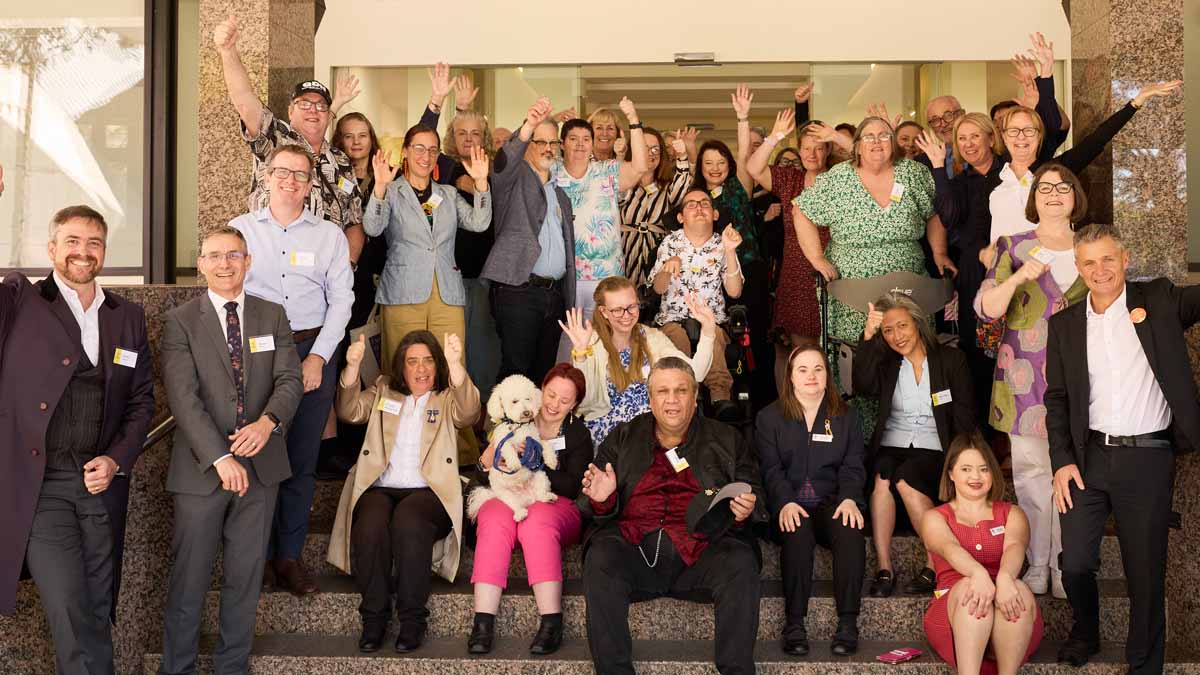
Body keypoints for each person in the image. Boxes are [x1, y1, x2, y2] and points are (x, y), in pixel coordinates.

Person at [0, 205, 155, 674]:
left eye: (93, 243)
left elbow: (142, 401)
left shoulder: (126, 315)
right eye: (71, 241)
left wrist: (116, 459)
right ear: (51, 248)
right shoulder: (19, 301)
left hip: (101, 486)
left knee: (97, 607)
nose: (82, 252)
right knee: (68, 605)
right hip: (41, 487)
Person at [1046, 224, 1200, 672]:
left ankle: (1144, 666)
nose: (1100, 270)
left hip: (1148, 458)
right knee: (1073, 562)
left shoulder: (1160, 301)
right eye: (1089, 262)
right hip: (1088, 458)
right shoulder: (1064, 325)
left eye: (1108, 259)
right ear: (1078, 268)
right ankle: (1086, 631)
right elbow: (1056, 399)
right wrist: (1061, 462)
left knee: (1145, 573)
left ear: (1125, 259)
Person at [157, 227, 304, 674]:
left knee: (244, 582)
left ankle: (232, 668)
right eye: (215, 256)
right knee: (189, 581)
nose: (225, 264)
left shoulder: (272, 315)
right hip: (202, 472)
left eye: (234, 255)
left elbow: (290, 380)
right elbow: (183, 399)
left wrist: (268, 423)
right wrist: (221, 458)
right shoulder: (181, 321)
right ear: (200, 264)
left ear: (248, 261)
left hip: (261, 471)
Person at [579, 357, 768, 675]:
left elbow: (756, 493)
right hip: (635, 550)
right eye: (662, 391)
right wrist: (603, 499)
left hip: (701, 552)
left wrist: (744, 510)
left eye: (681, 391)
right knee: (600, 555)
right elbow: (590, 502)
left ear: (695, 398)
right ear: (650, 399)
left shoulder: (727, 439)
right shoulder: (623, 437)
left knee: (740, 561)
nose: (672, 400)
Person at [230, 144, 354, 596]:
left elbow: (342, 300)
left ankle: (288, 557)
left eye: (300, 174)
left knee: (301, 462)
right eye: (282, 172)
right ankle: (256, 558)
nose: (290, 181)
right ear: (267, 176)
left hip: (310, 349)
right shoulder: (240, 231)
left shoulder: (329, 236)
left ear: (310, 183)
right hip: (257, 353)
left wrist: (319, 357)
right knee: (258, 458)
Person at [975, 163, 1090, 599]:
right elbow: (986, 307)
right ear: (1034, 198)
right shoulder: (1013, 245)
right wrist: (1021, 275)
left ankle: (1068, 566)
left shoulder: (1092, 244)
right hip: (1023, 376)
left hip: (1084, 376)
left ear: (1076, 195)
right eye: (1046, 188)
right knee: (1031, 473)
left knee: (1075, 475)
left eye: (1064, 187)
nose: (1055, 194)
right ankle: (1039, 563)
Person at [795, 115, 955, 430]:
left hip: (909, 280)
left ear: (893, 142)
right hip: (852, 286)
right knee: (860, 359)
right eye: (868, 137)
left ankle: (915, 431)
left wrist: (939, 252)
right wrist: (815, 258)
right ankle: (860, 438)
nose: (877, 142)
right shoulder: (838, 178)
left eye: (884, 135)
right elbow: (801, 210)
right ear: (856, 146)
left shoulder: (913, 173)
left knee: (911, 351)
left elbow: (934, 213)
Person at [329, 329, 481, 653]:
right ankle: (374, 619)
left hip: (430, 490)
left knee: (409, 521)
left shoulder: (446, 396)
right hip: (382, 486)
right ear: (402, 366)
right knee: (370, 525)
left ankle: (412, 620)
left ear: (436, 365)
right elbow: (350, 411)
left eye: (428, 360)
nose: (421, 368)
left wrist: (456, 365)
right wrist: (352, 369)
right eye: (412, 361)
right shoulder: (385, 388)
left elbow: (469, 412)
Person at [212, 16, 365, 265]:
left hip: (324, 276)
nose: (313, 110)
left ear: (329, 114)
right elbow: (244, 98)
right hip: (272, 267)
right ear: (290, 111)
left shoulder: (340, 160)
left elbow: (354, 221)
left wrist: (346, 266)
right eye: (304, 104)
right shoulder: (276, 139)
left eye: (320, 105)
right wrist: (228, 52)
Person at [853, 292, 976, 597]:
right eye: (888, 330)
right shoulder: (886, 362)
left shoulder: (950, 360)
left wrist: (960, 460)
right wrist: (867, 337)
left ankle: (936, 563)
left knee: (906, 479)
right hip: (894, 441)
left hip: (935, 446)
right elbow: (862, 387)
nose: (897, 336)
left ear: (918, 324)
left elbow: (964, 413)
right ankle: (884, 567)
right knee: (882, 476)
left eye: (902, 326)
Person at [467, 363, 592, 656]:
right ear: (541, 391)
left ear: (574, 404)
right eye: (550, 395)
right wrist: (487, 463)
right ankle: (482, 622)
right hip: (510, 494)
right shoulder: (515, 414)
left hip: (557, 502)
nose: (554, 404)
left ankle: (551, 622)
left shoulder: (577, 433)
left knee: (536, 523)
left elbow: (573, 485)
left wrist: (535, 463)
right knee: (494, 518)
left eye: (565, 400)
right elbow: (483, 474)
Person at [757, 343, 866, 657]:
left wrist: (849, 499)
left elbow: (853, 464)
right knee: (797, 533)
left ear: (827, 375)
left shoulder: (845, 416)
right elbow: (771, 468)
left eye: (818, 369)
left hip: (830, 501)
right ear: (790, 376)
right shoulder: (770, 418)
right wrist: (784, 502)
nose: (811, 376)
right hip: (789, 502)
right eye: (802, 369)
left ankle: (848, 623)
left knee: (850, 530)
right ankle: (794, 624)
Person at [364, 124, 491, 371]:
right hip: (403, 291)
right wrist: (379, 187)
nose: (426, 156)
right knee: (403, 367)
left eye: (433, 150)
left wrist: (481, 183)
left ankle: (447, 411)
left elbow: (480, 223)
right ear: (405, 152)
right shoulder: (391, 190)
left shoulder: (448, 193)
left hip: (446, 293)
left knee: (449, 365)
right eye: (419, 149)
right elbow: (372, 228)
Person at [922, 432, 1043, 675]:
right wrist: (977, 574)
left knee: (1017, 589)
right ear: (951, 474)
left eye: (983, 469)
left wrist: (1006, 578)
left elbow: (1014, 547)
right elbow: (950, 548)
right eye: (966, 469)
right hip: (954, 612)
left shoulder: (1013, 514)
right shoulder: (935, 517)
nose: (975, 477)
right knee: (971, 590)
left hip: (1007, 609)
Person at [483, 97, 576, 385]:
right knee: (516, 374)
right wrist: (529, 126)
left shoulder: (560, 194)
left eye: (553, 143)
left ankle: (538, 431)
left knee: (544, 374)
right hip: (519, 290)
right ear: (528, 147)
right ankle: (506, 431)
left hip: (553, 295)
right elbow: (504, 162)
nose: (548, 148)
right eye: (540, 142)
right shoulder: (512, 181)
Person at [560, 276, 716, 445]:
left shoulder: (653, 338)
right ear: (604, 312)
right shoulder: (589, 342)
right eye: (617, 309)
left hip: (652, 432)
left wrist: (708, 331)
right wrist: (582, 354)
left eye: (631, 307)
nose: (626, 315)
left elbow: (695, 374)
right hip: (609, 437)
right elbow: (586, 402)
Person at [746, 108, 836, 388]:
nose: (812, 154)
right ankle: (796, 412)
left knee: (831, 346)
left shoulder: (840, 178)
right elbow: (753, 168)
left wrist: (835, 135)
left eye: (819, 148)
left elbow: (865, 157)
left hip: (833, 269)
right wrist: (774, 137)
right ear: (798, 150)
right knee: (798, 350)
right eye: (806, 148)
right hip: (796, 272)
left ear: (828, 151)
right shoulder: (791, 180)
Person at [552, 98, 648, 351]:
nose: (581, 144)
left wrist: (634, 120)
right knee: (570, 347)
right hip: (567, 277)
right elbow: (522, 155)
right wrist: (549, 118)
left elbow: (640, 166)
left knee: (610, 345)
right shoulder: (551, 172)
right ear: (562, 144)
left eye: (586, 139)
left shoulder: (606, 171)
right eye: (573, 138)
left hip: (608, 275)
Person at [648, 187, 744, 420]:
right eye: (691, 204)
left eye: (705, 204)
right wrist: (667, 268)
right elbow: (657, 289)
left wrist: (730, 252)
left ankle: (720, 397)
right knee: (676, 338)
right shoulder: (670, 242)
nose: (699, 208)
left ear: (715, 215)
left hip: (711, 319)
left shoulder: (723, 243)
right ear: (681, 217)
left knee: (714, 339)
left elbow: (735, 292)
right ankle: (685, 394)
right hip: (672, 318)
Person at [619, 127, 694, 289]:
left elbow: (681, 192)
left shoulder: (667, 186)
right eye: (644, 148)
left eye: (655, 149)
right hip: (623, 253)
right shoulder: (624, 183)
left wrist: (682, 156)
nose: (650, 153)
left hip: (656, 254)